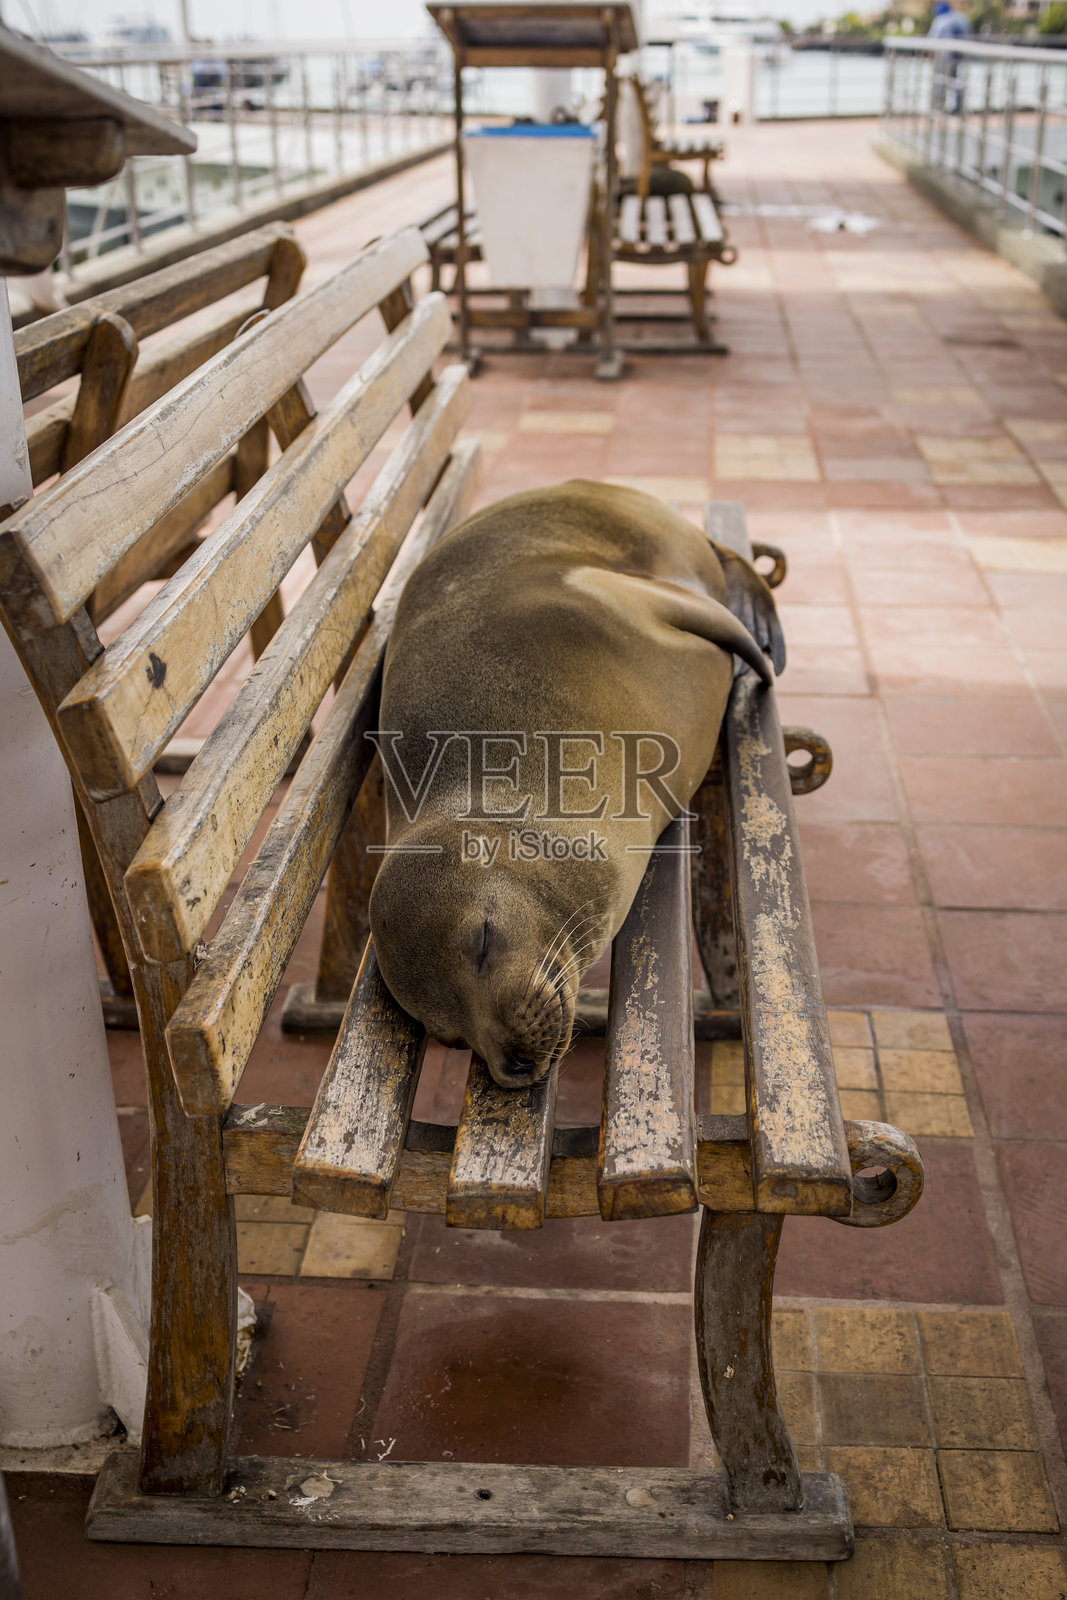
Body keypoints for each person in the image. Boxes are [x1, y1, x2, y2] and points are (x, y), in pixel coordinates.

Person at [929, 0, 973, 114]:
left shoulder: (940, 20)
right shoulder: (962, 18)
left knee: (941, 81)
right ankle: (958, 108)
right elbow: (968, 36)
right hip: (959, 57)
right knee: (957, 82)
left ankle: (939, 107)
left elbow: (932, 39)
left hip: (943, 57)